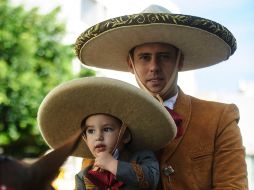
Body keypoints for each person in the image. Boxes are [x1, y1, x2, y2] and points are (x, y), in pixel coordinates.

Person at [74, 4, 248, 189]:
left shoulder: (219, 118)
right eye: (144, 57)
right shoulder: (106, 124)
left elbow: (233, 186)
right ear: (130, 63)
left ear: (179, 60)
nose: (154, 67)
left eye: (164, 56)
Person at [37, 77, 177, 189]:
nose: (98, 137)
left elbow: (151, 179)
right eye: (91, 131)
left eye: (107, 129)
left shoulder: (141, 156)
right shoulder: (83, 176)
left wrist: (113, 165)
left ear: (125, 135)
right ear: (85, 138)